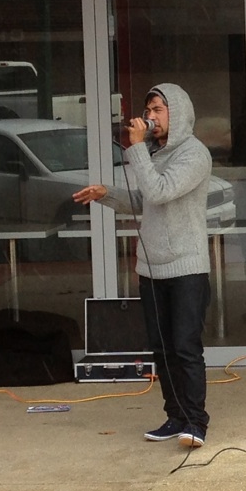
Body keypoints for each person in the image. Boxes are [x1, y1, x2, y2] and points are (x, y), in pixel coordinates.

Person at [73, 84, 214, 448]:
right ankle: (175, 417)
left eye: (158, 110)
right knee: (161, 349)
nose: (150, 116)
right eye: (148, 110)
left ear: (177, 113)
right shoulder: (152, 152)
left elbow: (159, 191)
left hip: (186, 267)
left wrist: (135, 148)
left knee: (185, 347)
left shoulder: (194, 154)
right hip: (152, 269)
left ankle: (196, 422)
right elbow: (143, 200)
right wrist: (107, 194)